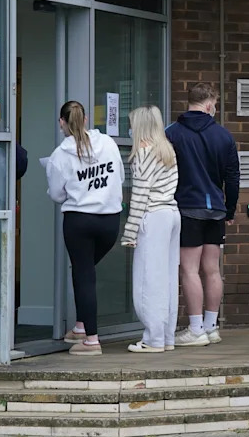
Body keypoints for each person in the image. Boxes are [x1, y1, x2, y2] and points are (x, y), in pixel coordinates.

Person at [45, 101, 124, 356]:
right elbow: (120, 177)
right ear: (86, 119)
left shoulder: (59, 156)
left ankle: (92, 340)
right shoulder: (109, 144)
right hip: (110, 220)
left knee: (84, 275)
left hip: (80, 220)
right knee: (85, 272)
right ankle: (80, 326)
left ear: (62, 123)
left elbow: (57, 194)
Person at [166, 82, 240, 347]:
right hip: (216, 209)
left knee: (188, 269)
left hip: (187, 207)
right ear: (209, 104)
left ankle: (195, 328)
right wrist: (229, 208)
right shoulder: (224, 136)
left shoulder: (172, 133)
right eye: (216, 104)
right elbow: (233, 178)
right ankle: (211, 327)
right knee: (211, 269)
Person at [121, 105, 180, 353]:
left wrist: (130, 231)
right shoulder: (167, 150)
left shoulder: (143, 153)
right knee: (167, 278)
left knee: (148, 280)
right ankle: (166, 337)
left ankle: (153, 338)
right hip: (171, 213)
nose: (130, 128)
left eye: (132, 123)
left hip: (153, 216)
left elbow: (140, 196)